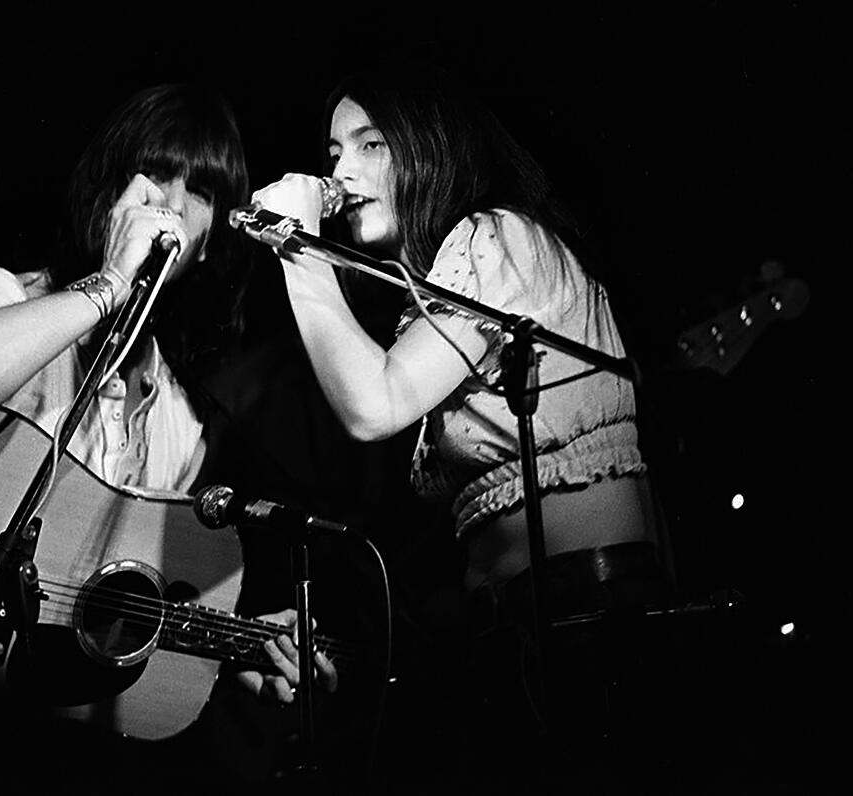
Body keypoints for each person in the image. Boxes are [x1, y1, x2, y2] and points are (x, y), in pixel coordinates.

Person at [0, 83, 337, 785]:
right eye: (155, 173)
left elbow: (105, 605)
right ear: (108, 190)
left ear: (213, 238)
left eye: (202, 191)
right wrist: (109, 284)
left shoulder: (180, 424)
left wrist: (234, 649)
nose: (172, 206)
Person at [250, 63, 672, 790]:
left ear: (430, 147)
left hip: (582, 617)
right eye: (332, 155)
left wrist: (298, 249)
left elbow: (372, 406)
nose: (341, 170)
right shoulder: (437, 295)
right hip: (509, 632)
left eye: (370, 144)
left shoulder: (494, 236)